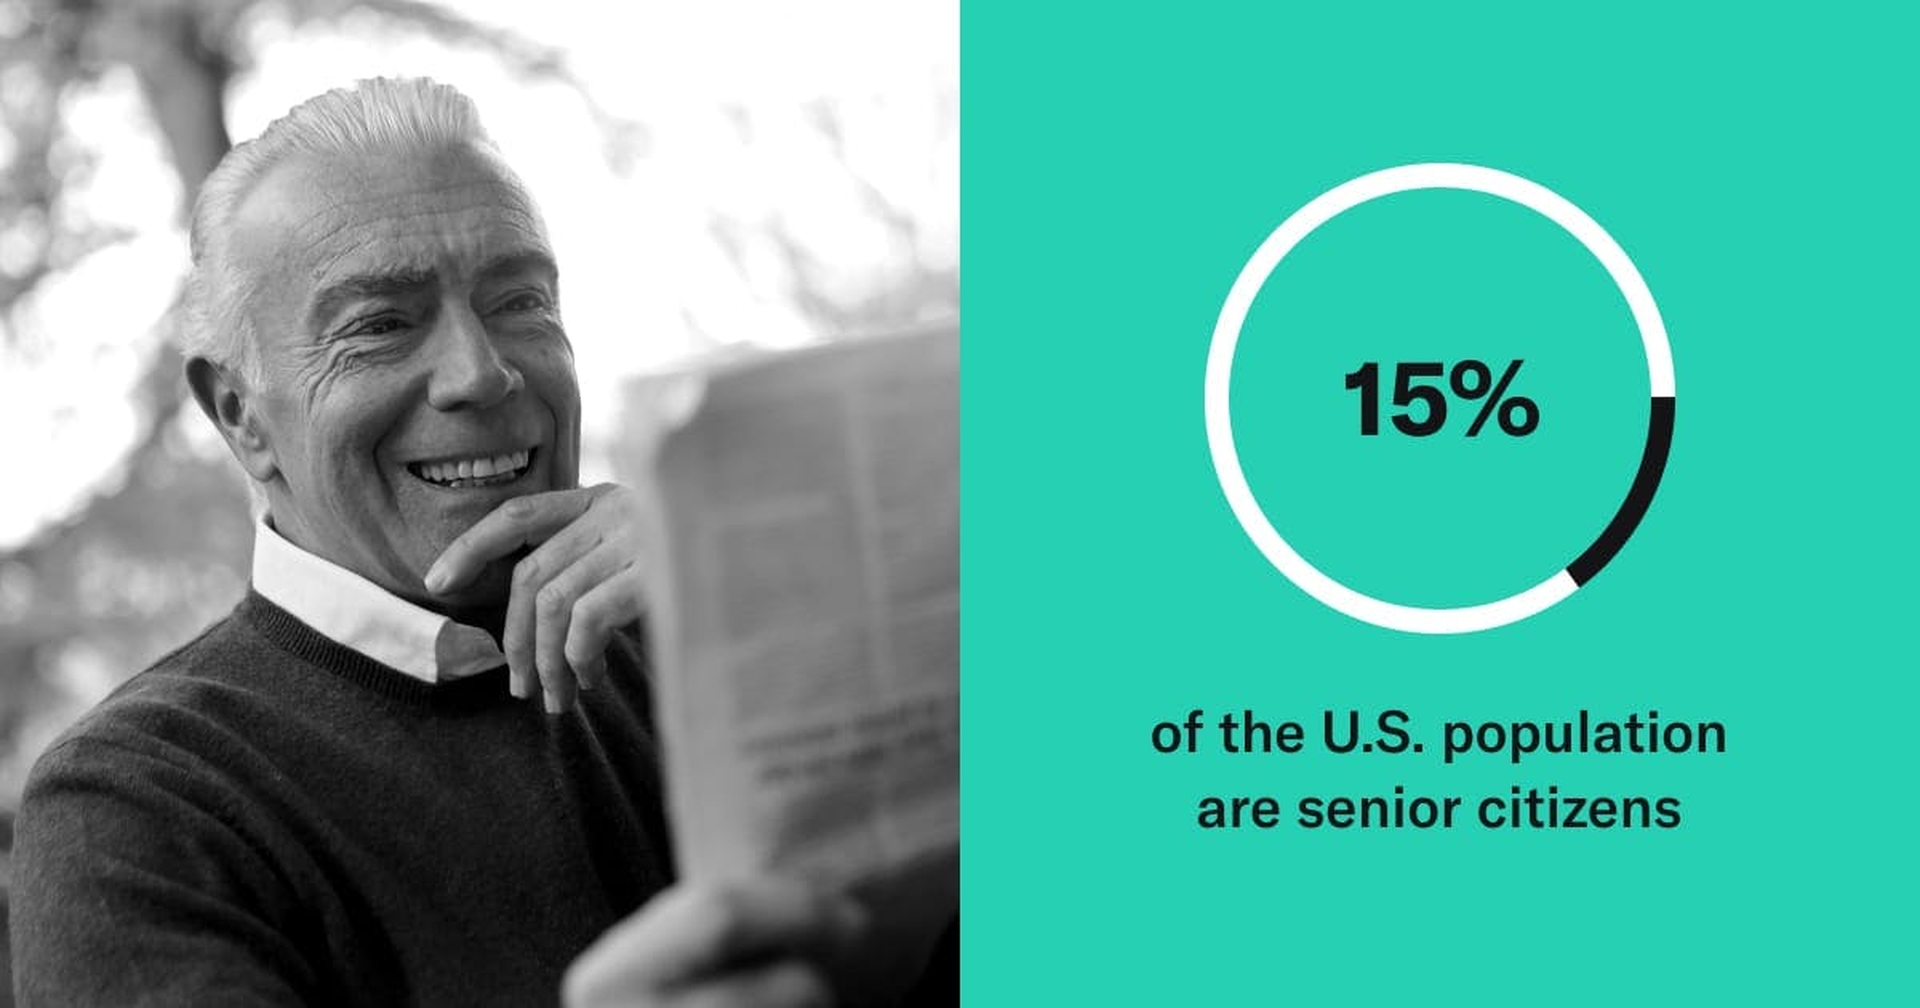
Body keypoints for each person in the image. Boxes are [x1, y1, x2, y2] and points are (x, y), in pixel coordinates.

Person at [9, 78, 937, 1007]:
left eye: (519, 301)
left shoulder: (715, 637)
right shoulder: (138, 805)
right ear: (241, 415)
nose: (481, 373)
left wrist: (802, 614)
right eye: (379, 324)